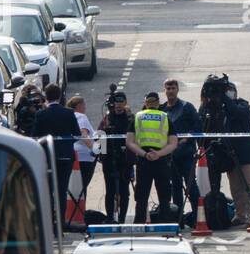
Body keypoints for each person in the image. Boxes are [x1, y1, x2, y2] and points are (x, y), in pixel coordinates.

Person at [31, 83, 81, 223]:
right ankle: (61, 223)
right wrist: (66, 144)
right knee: (62, 190)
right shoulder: (69, 113)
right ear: (60, 96)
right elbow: (76, 134)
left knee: (48, 191)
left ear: (46, 97)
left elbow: (34, 136)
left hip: (47, 157)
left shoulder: (41, 114)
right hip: (65, 156)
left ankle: (48, 222)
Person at [126, 91, 178, 224]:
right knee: (164, 196)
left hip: (143, 160)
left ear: (145, 103)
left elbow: (129, 142)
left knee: (141, 196)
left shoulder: (137, 117)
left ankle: (139, 224)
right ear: (158, 103)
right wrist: (158, 154)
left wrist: (144, 154)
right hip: (161, 160)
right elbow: (173, 143)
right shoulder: (165, 117)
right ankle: (165, 225)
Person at [220, 80, 250, 227]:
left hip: (246, 154)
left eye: (229, 90)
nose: (228, 93)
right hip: (230, 153)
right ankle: (240, 214)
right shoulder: (221, 108)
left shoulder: (242, 104)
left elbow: (236, 112)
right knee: (236, 187)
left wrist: (224, 97)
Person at [163, 78, 203, 220]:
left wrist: (186, 140)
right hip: (170, 156)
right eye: (168, 88)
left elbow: (198, 126)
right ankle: (178, 219)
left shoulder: (187, 107)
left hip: (186, 154)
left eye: (173, 88)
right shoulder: (162, 110)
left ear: (177, 89)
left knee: (192, 187)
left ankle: (198, 218)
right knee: (176, 188)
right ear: (165, 90)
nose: (170, 91)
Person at [99, 90, 134, 223]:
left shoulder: (130, 118)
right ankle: (109, 218)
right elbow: (100, 134)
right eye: (116, 102)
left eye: (121, 102)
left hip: (125, 159)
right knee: (110, 190)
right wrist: (101, 154)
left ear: (125, 103)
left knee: (124, 191)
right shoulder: (107, 118)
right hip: (109, 159)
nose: (118, 105)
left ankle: (122, 218)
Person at [67, 95, 97, 209]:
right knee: (82, 188)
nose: (85, 107)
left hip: (72, 155)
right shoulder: (81, 116)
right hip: (84, 158)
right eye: (84, 105)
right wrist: (94, 149)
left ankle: (76, 212)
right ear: (79, 105)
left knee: (74, 189)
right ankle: (80, 213)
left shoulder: (69, 116)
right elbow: (83, 133)